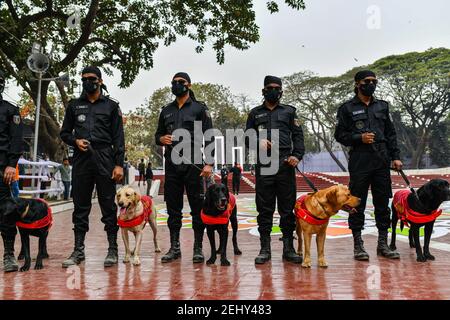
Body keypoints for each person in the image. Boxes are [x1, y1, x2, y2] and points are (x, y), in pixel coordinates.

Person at [60, 65, 125, 268]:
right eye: (84, 79)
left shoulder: (111, 106)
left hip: (105, 157)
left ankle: (112, 249)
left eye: (92, 78)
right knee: (80, 205)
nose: (88, 82)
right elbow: (64, 133)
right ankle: (78, 250)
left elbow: (118, 138)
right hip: (81, 158)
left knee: (108, 205)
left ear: (100, 81)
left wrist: (119, 165)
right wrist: (75, 141)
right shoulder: (73, 105)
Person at [334, 70, 402, 261]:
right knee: (356, 203)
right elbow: (340, 135)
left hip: (381, 160)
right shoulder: (346, 108)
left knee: (382, 203)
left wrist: (395, 157)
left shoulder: (382, 106)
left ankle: (383, 244)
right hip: (360, 160)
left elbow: (391, 134)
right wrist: (359, 137)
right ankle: (358, 245)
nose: (371, 84)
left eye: (374, 81)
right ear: (357, 84)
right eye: (367, 81)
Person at [245, 75, 305, 265]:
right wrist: (257, 141)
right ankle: (265, 249)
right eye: (269, 88)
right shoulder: (255, 113)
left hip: (286, 164)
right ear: (263, 91)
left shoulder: (289, 112)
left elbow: (298, 136)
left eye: (276, 88)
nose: (273, 91)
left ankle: (289, 248)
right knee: (264, 209)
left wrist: (297, 155)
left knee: (287, 210)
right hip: (264, 166)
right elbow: (247, 138)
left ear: (281, 91)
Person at [155, 72, 213, 264]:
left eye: (181, 82)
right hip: (172, 165)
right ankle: (175, 247)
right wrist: (161, 139)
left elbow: (209, 136)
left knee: (197, 208)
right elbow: (158, 135)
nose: (177, 85)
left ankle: (197, 248)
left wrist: (209, 163)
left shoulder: (199, 109)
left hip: (194, 165)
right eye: (174, 83)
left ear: (189, 85)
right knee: (173, 208)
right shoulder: (166, 111)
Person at [0, 69, 24, 272]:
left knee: (6, 212)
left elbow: (16, 140)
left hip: (2, 169)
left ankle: (9, 254)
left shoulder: (10, 110)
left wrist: (11, 164)